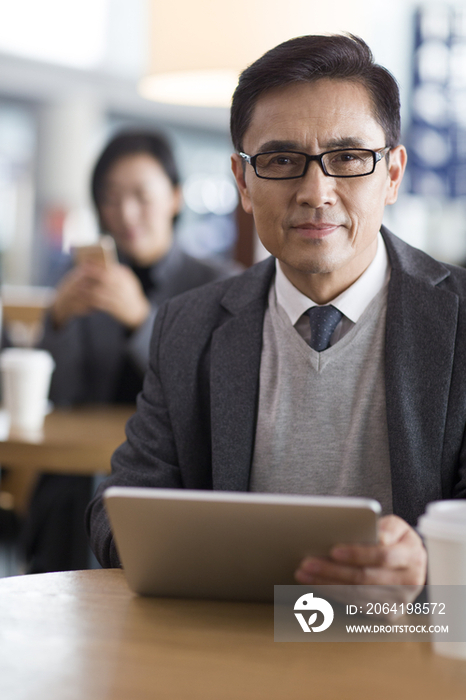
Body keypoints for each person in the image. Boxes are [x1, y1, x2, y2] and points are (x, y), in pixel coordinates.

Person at [87, 35, 466, 588]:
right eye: (282, 160)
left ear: (392, 174)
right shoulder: (189, 327)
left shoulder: (459, 321)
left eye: (349, 158)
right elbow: (114, 512)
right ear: (242, 181)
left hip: (404, 646)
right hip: (234, 650)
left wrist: (433, 566)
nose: (316, 191)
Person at [22, 130, 236, 573]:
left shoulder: (217, 283)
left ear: (175, 198)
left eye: (141, 195)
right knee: (65, 496)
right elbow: (61, 395)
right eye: (111, 198)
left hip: (168, 475)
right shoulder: (84, 277)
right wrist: (58, 319)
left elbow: (211, 390)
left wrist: (142, 320)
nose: (125, 213)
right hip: (77, 475)